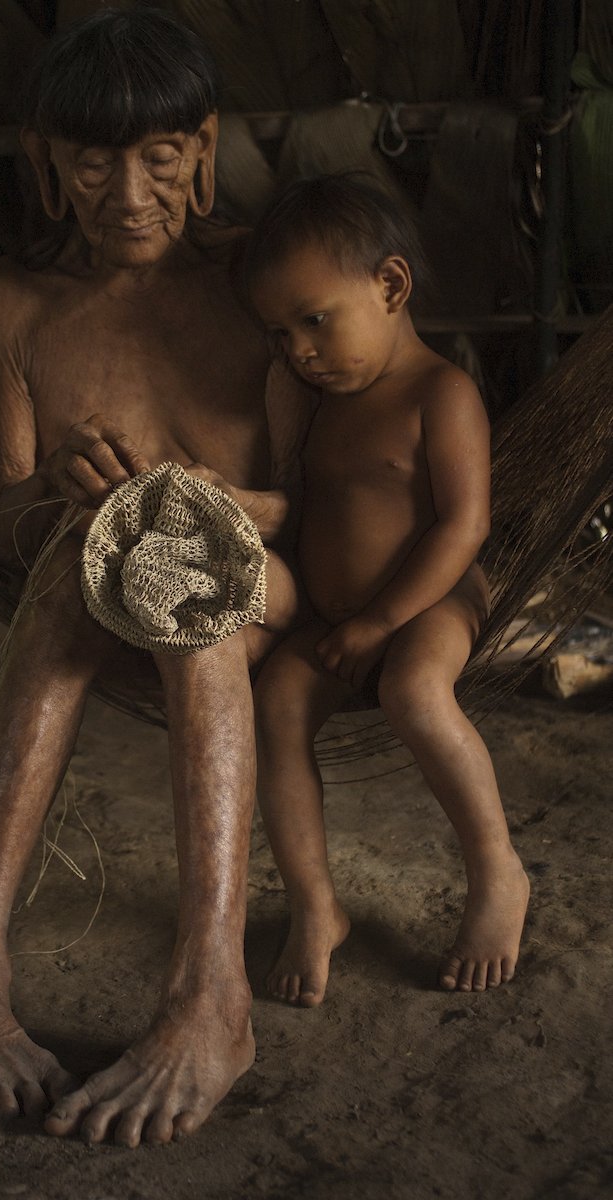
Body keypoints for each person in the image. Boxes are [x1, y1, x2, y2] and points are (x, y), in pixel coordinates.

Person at [0, 9, 309, 1147]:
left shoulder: (258, 282)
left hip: (259, 589)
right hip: (85, 593)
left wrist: (193, 503)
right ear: (45, 161)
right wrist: (59, 495)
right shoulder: (15, 303)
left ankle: (210, 999)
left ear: (203, 143)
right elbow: (3, 522)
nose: (128, 191)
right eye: (92, 158)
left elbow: (317, 509)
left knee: (177, 567)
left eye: (158, 155)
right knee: (66, 569)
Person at [245, 174, 531, 1009]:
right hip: (340, 619)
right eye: (279, 333)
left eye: (314, 320)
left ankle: (496, 872)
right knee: (276, 705)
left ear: (391, 286)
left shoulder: (439, 393)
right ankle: (314, 905)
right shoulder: (318, 399)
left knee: (413, 689)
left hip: (432, 602)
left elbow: (463, 527)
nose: (298, 348)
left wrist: (380, 619)